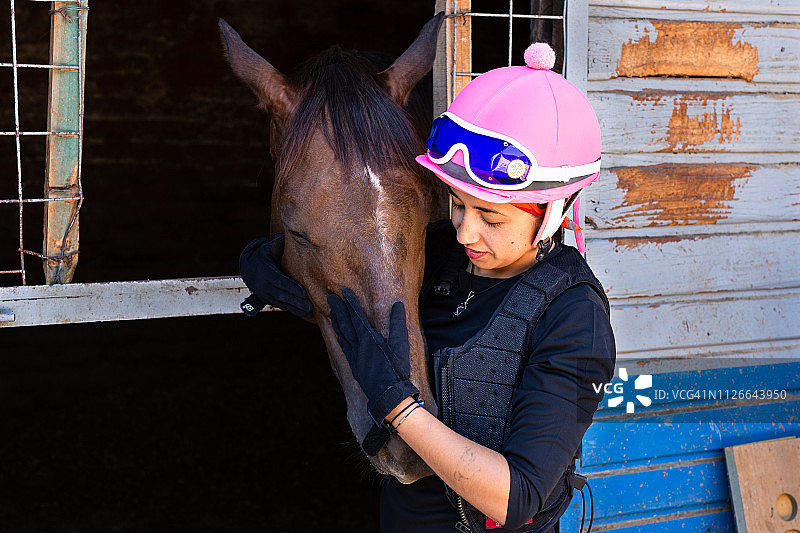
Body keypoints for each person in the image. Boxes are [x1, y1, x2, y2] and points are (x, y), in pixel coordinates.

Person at [240, 42, 615, 533]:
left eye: (491, 218)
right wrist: (268, 258)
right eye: (457, 204)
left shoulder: (573, 317)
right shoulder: (442, 255)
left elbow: (517, 498)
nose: (464, 232)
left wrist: (397, 405)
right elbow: (352, 249)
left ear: (551, 215)